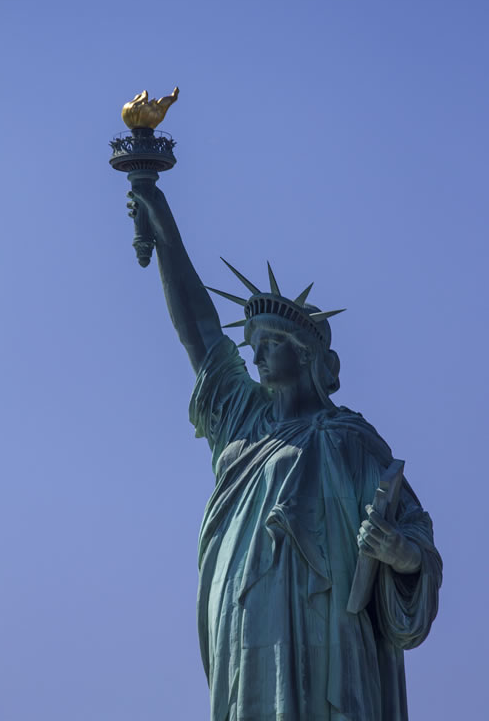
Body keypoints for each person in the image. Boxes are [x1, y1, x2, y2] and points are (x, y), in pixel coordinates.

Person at [126, 182, 442, 721]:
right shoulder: (243, 423)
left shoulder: (349, 440)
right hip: (247, 627)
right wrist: (163, 226)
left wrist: (399, 553)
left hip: (330, 636)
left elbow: (414, 532)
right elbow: (199, 335)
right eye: (253, 346)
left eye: (269, 344)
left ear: (306, 355)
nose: (257, 356)